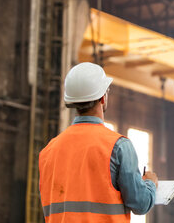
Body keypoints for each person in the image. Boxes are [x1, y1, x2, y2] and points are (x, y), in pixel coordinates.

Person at [39, 62, 158, 222]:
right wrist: (150, 184)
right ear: (103, 97)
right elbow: (140, 204)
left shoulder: (48, 151)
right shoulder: (118, 146)